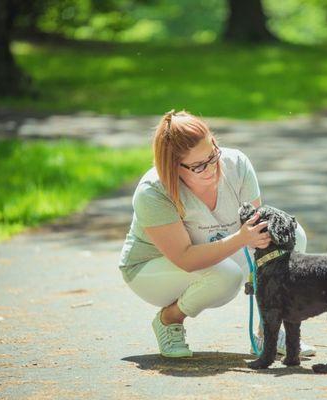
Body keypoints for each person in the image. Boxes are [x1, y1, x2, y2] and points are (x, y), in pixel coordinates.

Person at [119, 109, 316, 358]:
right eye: (199, 166)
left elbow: (256, 232)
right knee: (226, 275)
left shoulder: (237, 164)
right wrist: (242, 239)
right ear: (173, 166)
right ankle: (169, 320)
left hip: (218, 254)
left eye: (213, 155)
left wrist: (252, 240)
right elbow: (185, 258)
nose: (212, 168)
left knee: (292, 235)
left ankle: (271, 330)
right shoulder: (153, 192)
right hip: (150, 271)